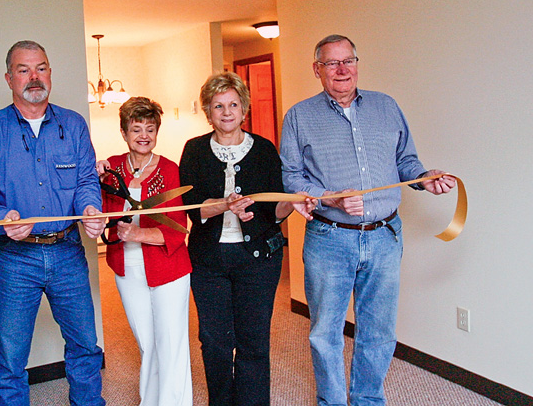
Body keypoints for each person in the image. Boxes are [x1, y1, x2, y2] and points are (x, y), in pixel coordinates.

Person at [280, 34, 456, 406]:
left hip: (385, 237)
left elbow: (406, 161)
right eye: (332, 63)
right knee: (325, 331)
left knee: (377, 330)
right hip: (329, 238)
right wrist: (333, 199)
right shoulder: (298, 116)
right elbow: (292, 177)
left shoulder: (386, 106)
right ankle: (332, 400)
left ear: (357, 64)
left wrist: (425, 177)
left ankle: (367, 399)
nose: (342, 70)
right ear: (317, 70)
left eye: (349, 61)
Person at [0, 40, 106, 406]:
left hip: (67, 252)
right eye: (24, 70)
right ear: (9, 78)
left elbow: (87, 181)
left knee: (85, 346)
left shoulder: (73, 125)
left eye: (41, 67)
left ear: (50, 73)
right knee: (10, 359)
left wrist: (90, 209)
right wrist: (2, 218)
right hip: (15, 258)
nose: (34, 77)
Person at [179, 72, 315, 406]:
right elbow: (191, 209)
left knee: (254, 341)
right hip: (209, 261)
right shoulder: (194, 150)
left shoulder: (265, 150)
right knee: (215, 342)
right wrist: (224, 205)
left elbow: (276, 212)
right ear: (208, 113)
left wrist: (295, 203)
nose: (227, 112)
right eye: (218, 106)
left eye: (233, 105)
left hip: (259, 262)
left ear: (245, 109)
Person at [96, 97, 192, 406]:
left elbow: (179, 227)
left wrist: (138, 233)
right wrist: (92, 179)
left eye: (150, 129)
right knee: (147, 344)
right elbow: (95, 211)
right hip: (127, 267)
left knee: (170, 343)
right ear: (124, 132)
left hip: (168, 267)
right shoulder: (110, 168)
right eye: (136, 129)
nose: (143, 135)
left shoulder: (169, 169)